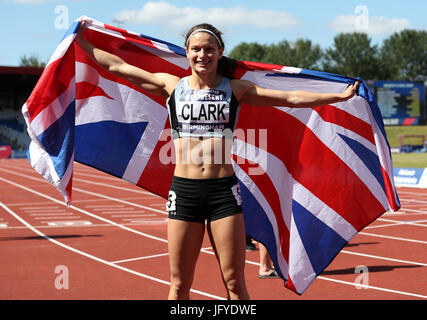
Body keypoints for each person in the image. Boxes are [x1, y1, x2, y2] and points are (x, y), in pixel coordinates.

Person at [76, 21, 359, 300]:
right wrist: (80, 41)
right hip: (185, 193)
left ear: (220, 51)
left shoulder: (236, 89)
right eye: (196, 49)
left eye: (209, 49)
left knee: (235, 284)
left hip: (223, 193)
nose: (203, 55)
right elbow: (117, 66)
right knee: (179, 286)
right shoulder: (171, 86)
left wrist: (336, 96)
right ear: (186, 53)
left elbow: (289, 97)